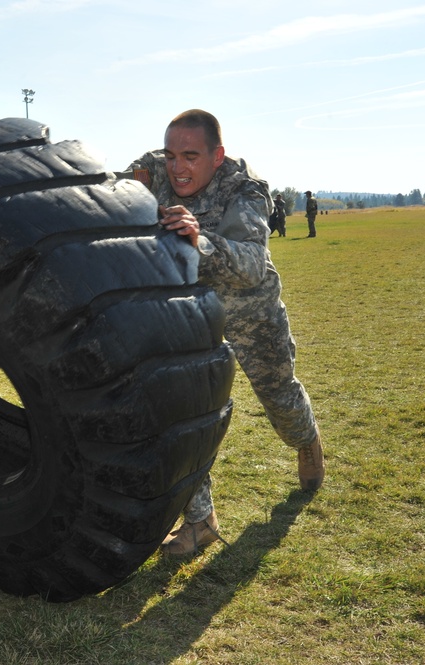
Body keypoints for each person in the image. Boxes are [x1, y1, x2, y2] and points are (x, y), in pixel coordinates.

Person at [125, 109, 324, 556]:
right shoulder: (149, 170)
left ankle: (306, 439)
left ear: (218, 155)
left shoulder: (245, 189)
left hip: (249, 311)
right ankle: (200, 520)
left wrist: (201, 238)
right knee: (179, 415)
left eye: (191, 156)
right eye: (172, 154)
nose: (178, 167)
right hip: (187, 310)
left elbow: (253, 266)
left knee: (280, 398)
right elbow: (106, 193)